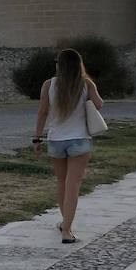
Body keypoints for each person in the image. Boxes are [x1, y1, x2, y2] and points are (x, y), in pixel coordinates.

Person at [32, 48, 103, 244]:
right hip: (79, 139)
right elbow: (99, 105)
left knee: (62, 183)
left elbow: (42, 113)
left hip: (56, 140)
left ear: (59, 65)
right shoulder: (86, 84)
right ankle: (67, 230)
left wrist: (37, 139)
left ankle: (65, 223)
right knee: (73, 185)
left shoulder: (48, 85)